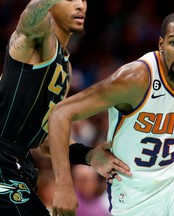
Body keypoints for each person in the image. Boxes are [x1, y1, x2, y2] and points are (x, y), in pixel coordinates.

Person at [48, 11, 174, 216]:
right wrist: (64, 185)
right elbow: (61, 114)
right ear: (161, 45)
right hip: (133, 192)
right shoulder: (134, 79)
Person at [0, 0, 130, 215]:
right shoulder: (36, 39)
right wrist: (63, 184)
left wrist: (89, 156)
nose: (80, 5)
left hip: (18, 165)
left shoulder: (65, 68)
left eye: (83, 0)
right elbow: (28, 18)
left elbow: (45, 142)